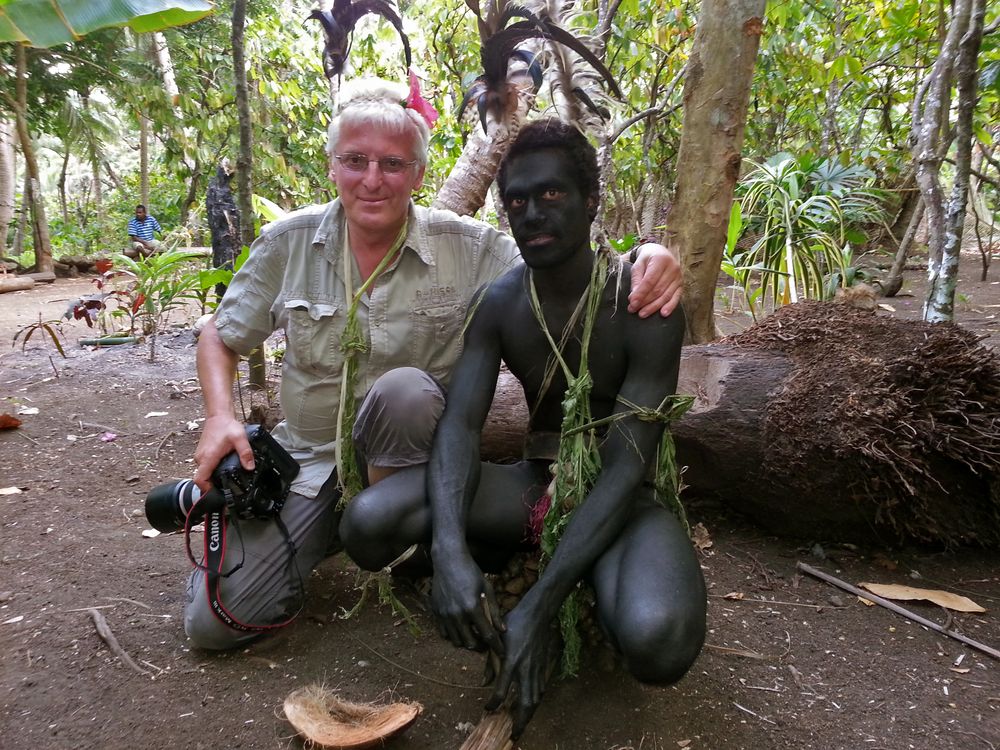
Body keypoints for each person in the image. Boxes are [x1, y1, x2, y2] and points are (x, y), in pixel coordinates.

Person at [185, 77, 683, 650]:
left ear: (418, 174)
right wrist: (220, 416)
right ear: (333, 166)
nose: (372, 179)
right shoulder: (286, 242)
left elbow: (562, 255)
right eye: (356, 161)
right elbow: (218, 338)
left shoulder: (469, 246)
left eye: (392, 164)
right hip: (309, 464)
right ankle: (326, 533)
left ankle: (414, 556)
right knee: (212, 626)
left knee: (406, 392)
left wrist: (651, 253)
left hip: (409, 460)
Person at [340, 119, 706, 739]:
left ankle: (560, 577)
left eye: (552, 195)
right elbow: (458, 428)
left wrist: (539, 607)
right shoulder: (501, 303)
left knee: (660, 645)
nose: (532, 213)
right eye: (517, 201)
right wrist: (451, 552)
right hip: (534, 486)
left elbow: (625, 465)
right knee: (368, 524)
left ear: (591, 200)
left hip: (625, 502)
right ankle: (494, 560)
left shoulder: (643, 304)